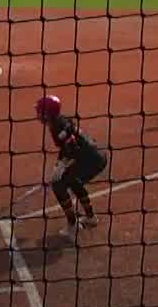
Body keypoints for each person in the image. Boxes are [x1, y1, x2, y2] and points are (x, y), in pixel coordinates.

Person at [34, 95, 106, 240]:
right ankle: (91, 217)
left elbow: (72, 148)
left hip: (91, 160)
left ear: (47, 113)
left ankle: (72, 225)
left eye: (41, 111)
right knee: (72, 180)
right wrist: (59, 164)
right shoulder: (59, 122)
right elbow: (66, 148)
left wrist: (61, 166)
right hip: (92, 157)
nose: (38, 114)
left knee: (58, 186)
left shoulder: (57, 127)